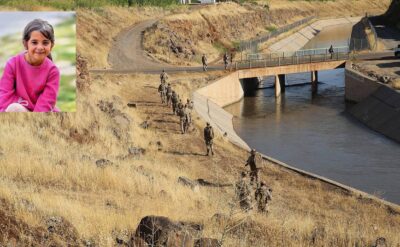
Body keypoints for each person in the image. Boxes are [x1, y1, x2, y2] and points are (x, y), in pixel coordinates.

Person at [0, 19, 60, 112]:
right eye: (34, 42)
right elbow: (4, 96)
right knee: (14, 108)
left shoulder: (53, 71)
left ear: (51, 45)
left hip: (40, 113)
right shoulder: (13, 64)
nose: (40, 47)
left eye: (45, 42)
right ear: (25, 44)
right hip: (16, 110)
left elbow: (46, 104)